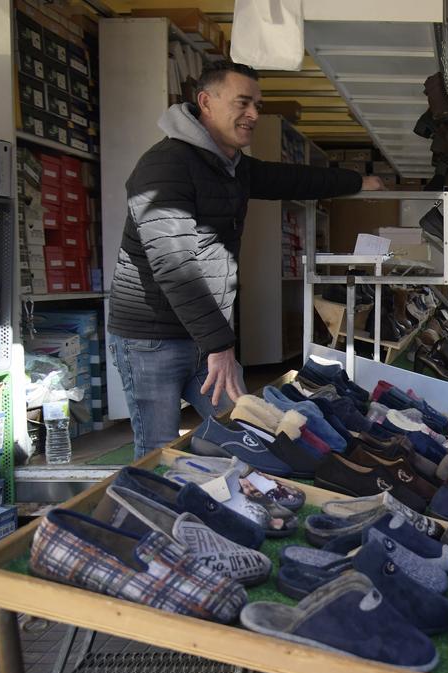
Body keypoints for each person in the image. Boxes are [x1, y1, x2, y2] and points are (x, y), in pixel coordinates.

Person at [108, 61, 383, 459]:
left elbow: (291, 179)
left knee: (244, 428)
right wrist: (220, 345)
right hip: (151, 339)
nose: (253, 114)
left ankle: (234, 504)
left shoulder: (231, 167)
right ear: (206, 102)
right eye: (243, 102)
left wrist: (357, 181)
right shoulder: (164, 167)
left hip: (206, 335)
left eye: (257, 104)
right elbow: (175, 265)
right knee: (160, 449)